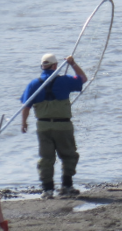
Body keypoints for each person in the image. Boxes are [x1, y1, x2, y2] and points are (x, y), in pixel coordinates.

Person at [21, 53, 87, 199]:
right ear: (55, 66)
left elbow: (26, 107)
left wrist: (24, 123)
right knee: (69, 155)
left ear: (42, 66)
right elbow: (83, 79)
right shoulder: (65, 80)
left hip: (43, 127)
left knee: (46, 158)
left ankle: (47, 189)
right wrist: (73, 64)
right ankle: (66, 186)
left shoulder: (34, 84)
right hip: (63, 126)